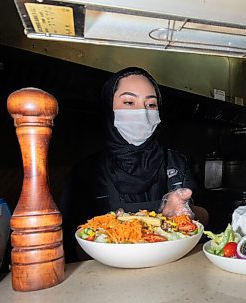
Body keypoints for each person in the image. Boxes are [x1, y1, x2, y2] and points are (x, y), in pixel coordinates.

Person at [60, 67, 208, 263]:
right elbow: (71, 245)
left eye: (151, 104)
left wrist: (185, 214)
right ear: (109, 109)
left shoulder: (176, 162)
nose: (142, 113)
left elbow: (204, 219)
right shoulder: (86, 171)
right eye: (129, 102)